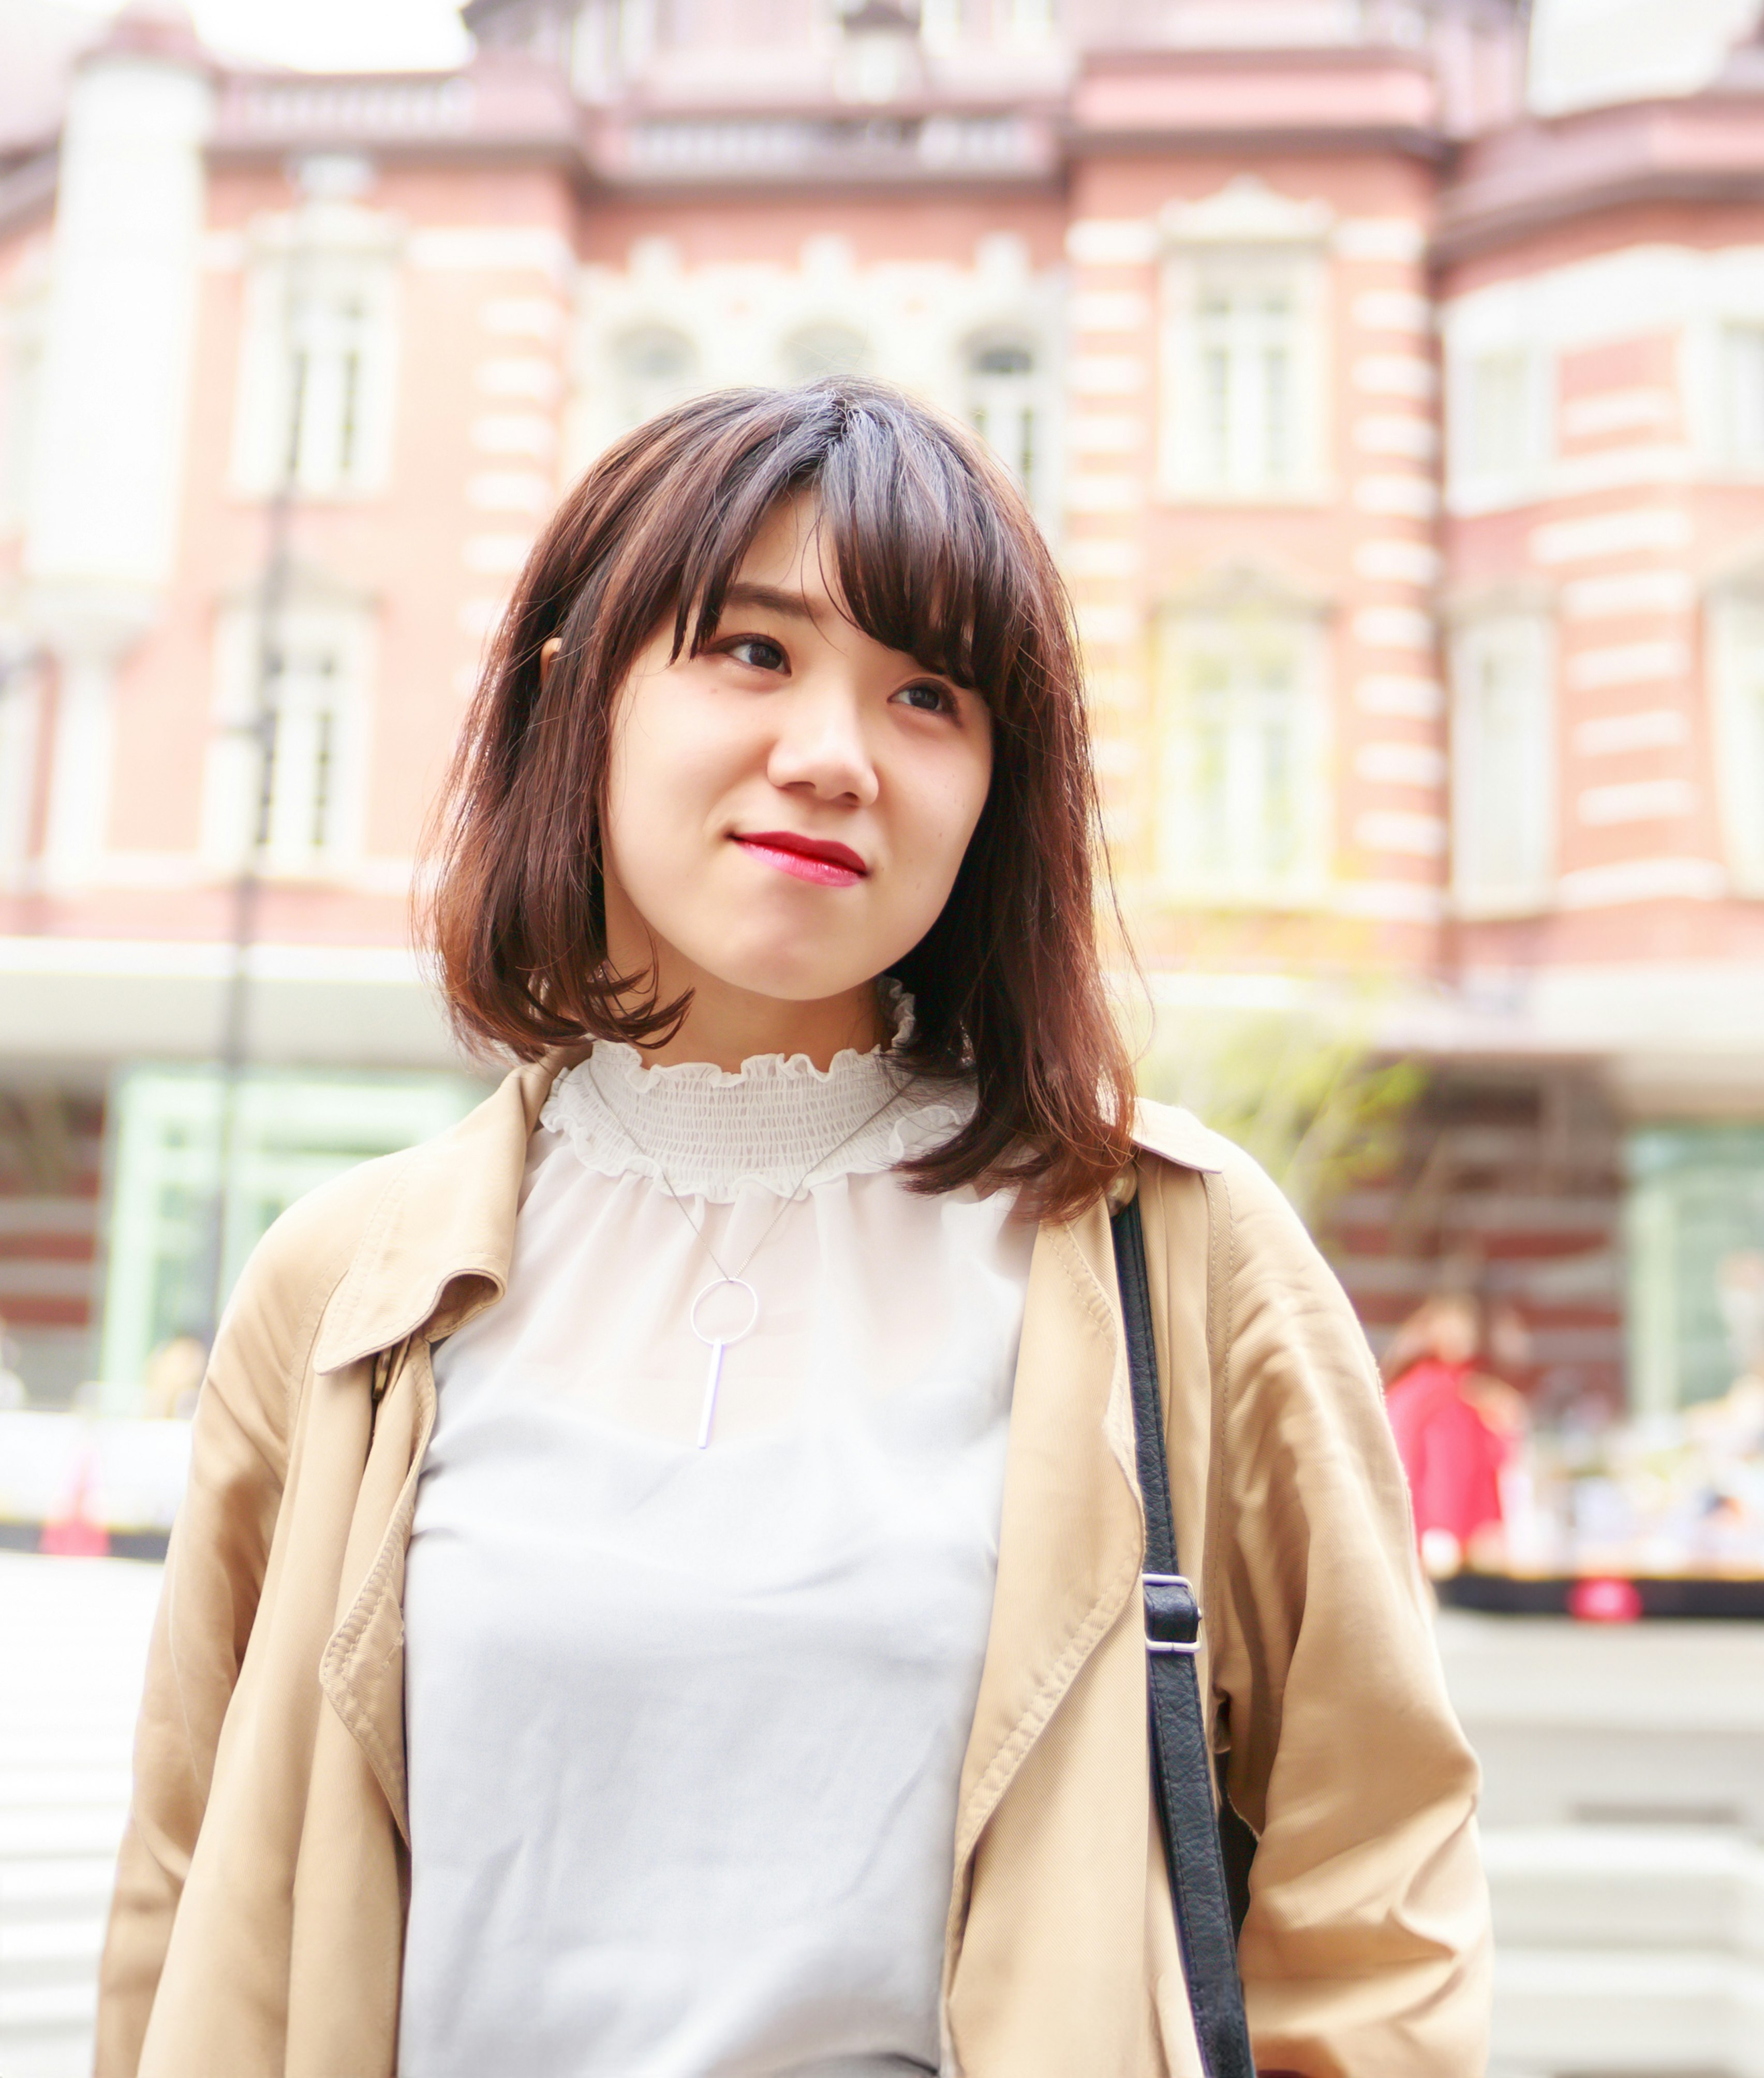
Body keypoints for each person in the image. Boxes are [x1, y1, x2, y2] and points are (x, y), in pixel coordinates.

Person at [98, 381, 1487, 2078]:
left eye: (928, 694)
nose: (834, 756)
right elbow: (187, 1888)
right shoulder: (346, 1291)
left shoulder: (1173, 1251)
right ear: (576, 700)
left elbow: (1376, 1886)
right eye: (753, 653)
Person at [1382, 1294, 1524, 1575]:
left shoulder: (1462, 1391)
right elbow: (1441, 1466)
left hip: (1442, 1531)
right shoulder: (1438, 1395)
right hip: (1442, 1533)